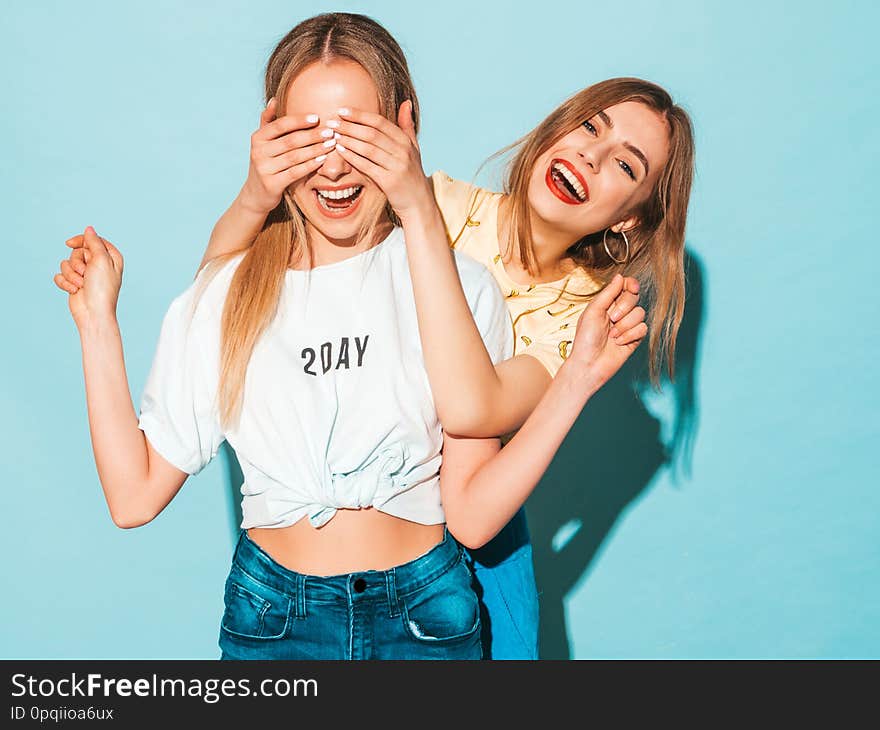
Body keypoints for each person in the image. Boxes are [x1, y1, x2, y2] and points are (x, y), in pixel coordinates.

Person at [54, 13, 649, 660]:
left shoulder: (461, 287)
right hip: (274, 621)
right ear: (269, 133)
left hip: (427, 613)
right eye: (307, 136)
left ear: (404, 128)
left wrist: (579, 376)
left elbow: (473, 507)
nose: (333, 165)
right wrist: (97, 325)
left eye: (358, 136)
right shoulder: (228, 291)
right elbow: (135, 495)